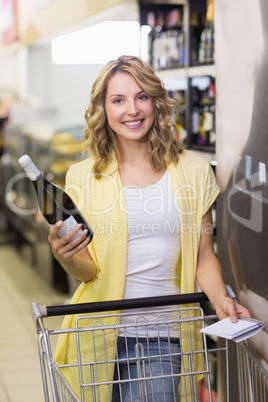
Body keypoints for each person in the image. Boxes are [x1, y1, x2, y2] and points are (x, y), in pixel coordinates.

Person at [48, 55, 250, 402]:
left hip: (162, 335)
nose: (132, 110)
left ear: (156, 102)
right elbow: (89, 270)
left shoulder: (193, 171)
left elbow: (203, 256)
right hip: (97, 332)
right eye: (118, 100)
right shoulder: (83, 176)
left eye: (142, 96)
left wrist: (222, 301)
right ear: (103, 108)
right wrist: (64, 256)